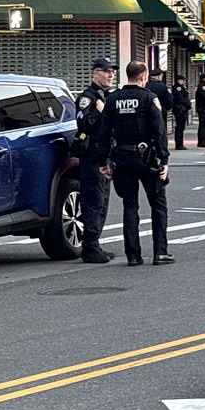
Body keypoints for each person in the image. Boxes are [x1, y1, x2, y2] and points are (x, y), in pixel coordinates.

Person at [98, 60, 174, 267]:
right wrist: (164, 159)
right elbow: (159, 131)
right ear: (144, 76)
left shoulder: (113, 99)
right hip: (147, 158)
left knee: (129, 205)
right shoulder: (149, 98)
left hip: (121, 159)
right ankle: (160, 252)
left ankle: (133, 255)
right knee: (158, 204)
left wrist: (103, 161)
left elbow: (103, 133)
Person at [73, 57, 118, 263]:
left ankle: (95, 243)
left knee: (103, 202)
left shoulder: (106, 97)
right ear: (95, 73)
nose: (111, 75)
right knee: (93, 201)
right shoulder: (88, 98)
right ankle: (89, 247)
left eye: (113, 72)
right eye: (106, 71)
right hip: (92, 157)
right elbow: (85, 125)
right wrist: (100, 112)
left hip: (105, 156)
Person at [171, 74, 191, 150]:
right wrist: (187, 104)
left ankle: (180, 143)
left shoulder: (182, 88)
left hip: (182, 109)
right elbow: (180, 99)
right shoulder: (178, 88)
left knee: (181, 127)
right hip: (180, 110)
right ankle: (179, 144)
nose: (183, 81)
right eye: (182, 80)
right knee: (179, 127)